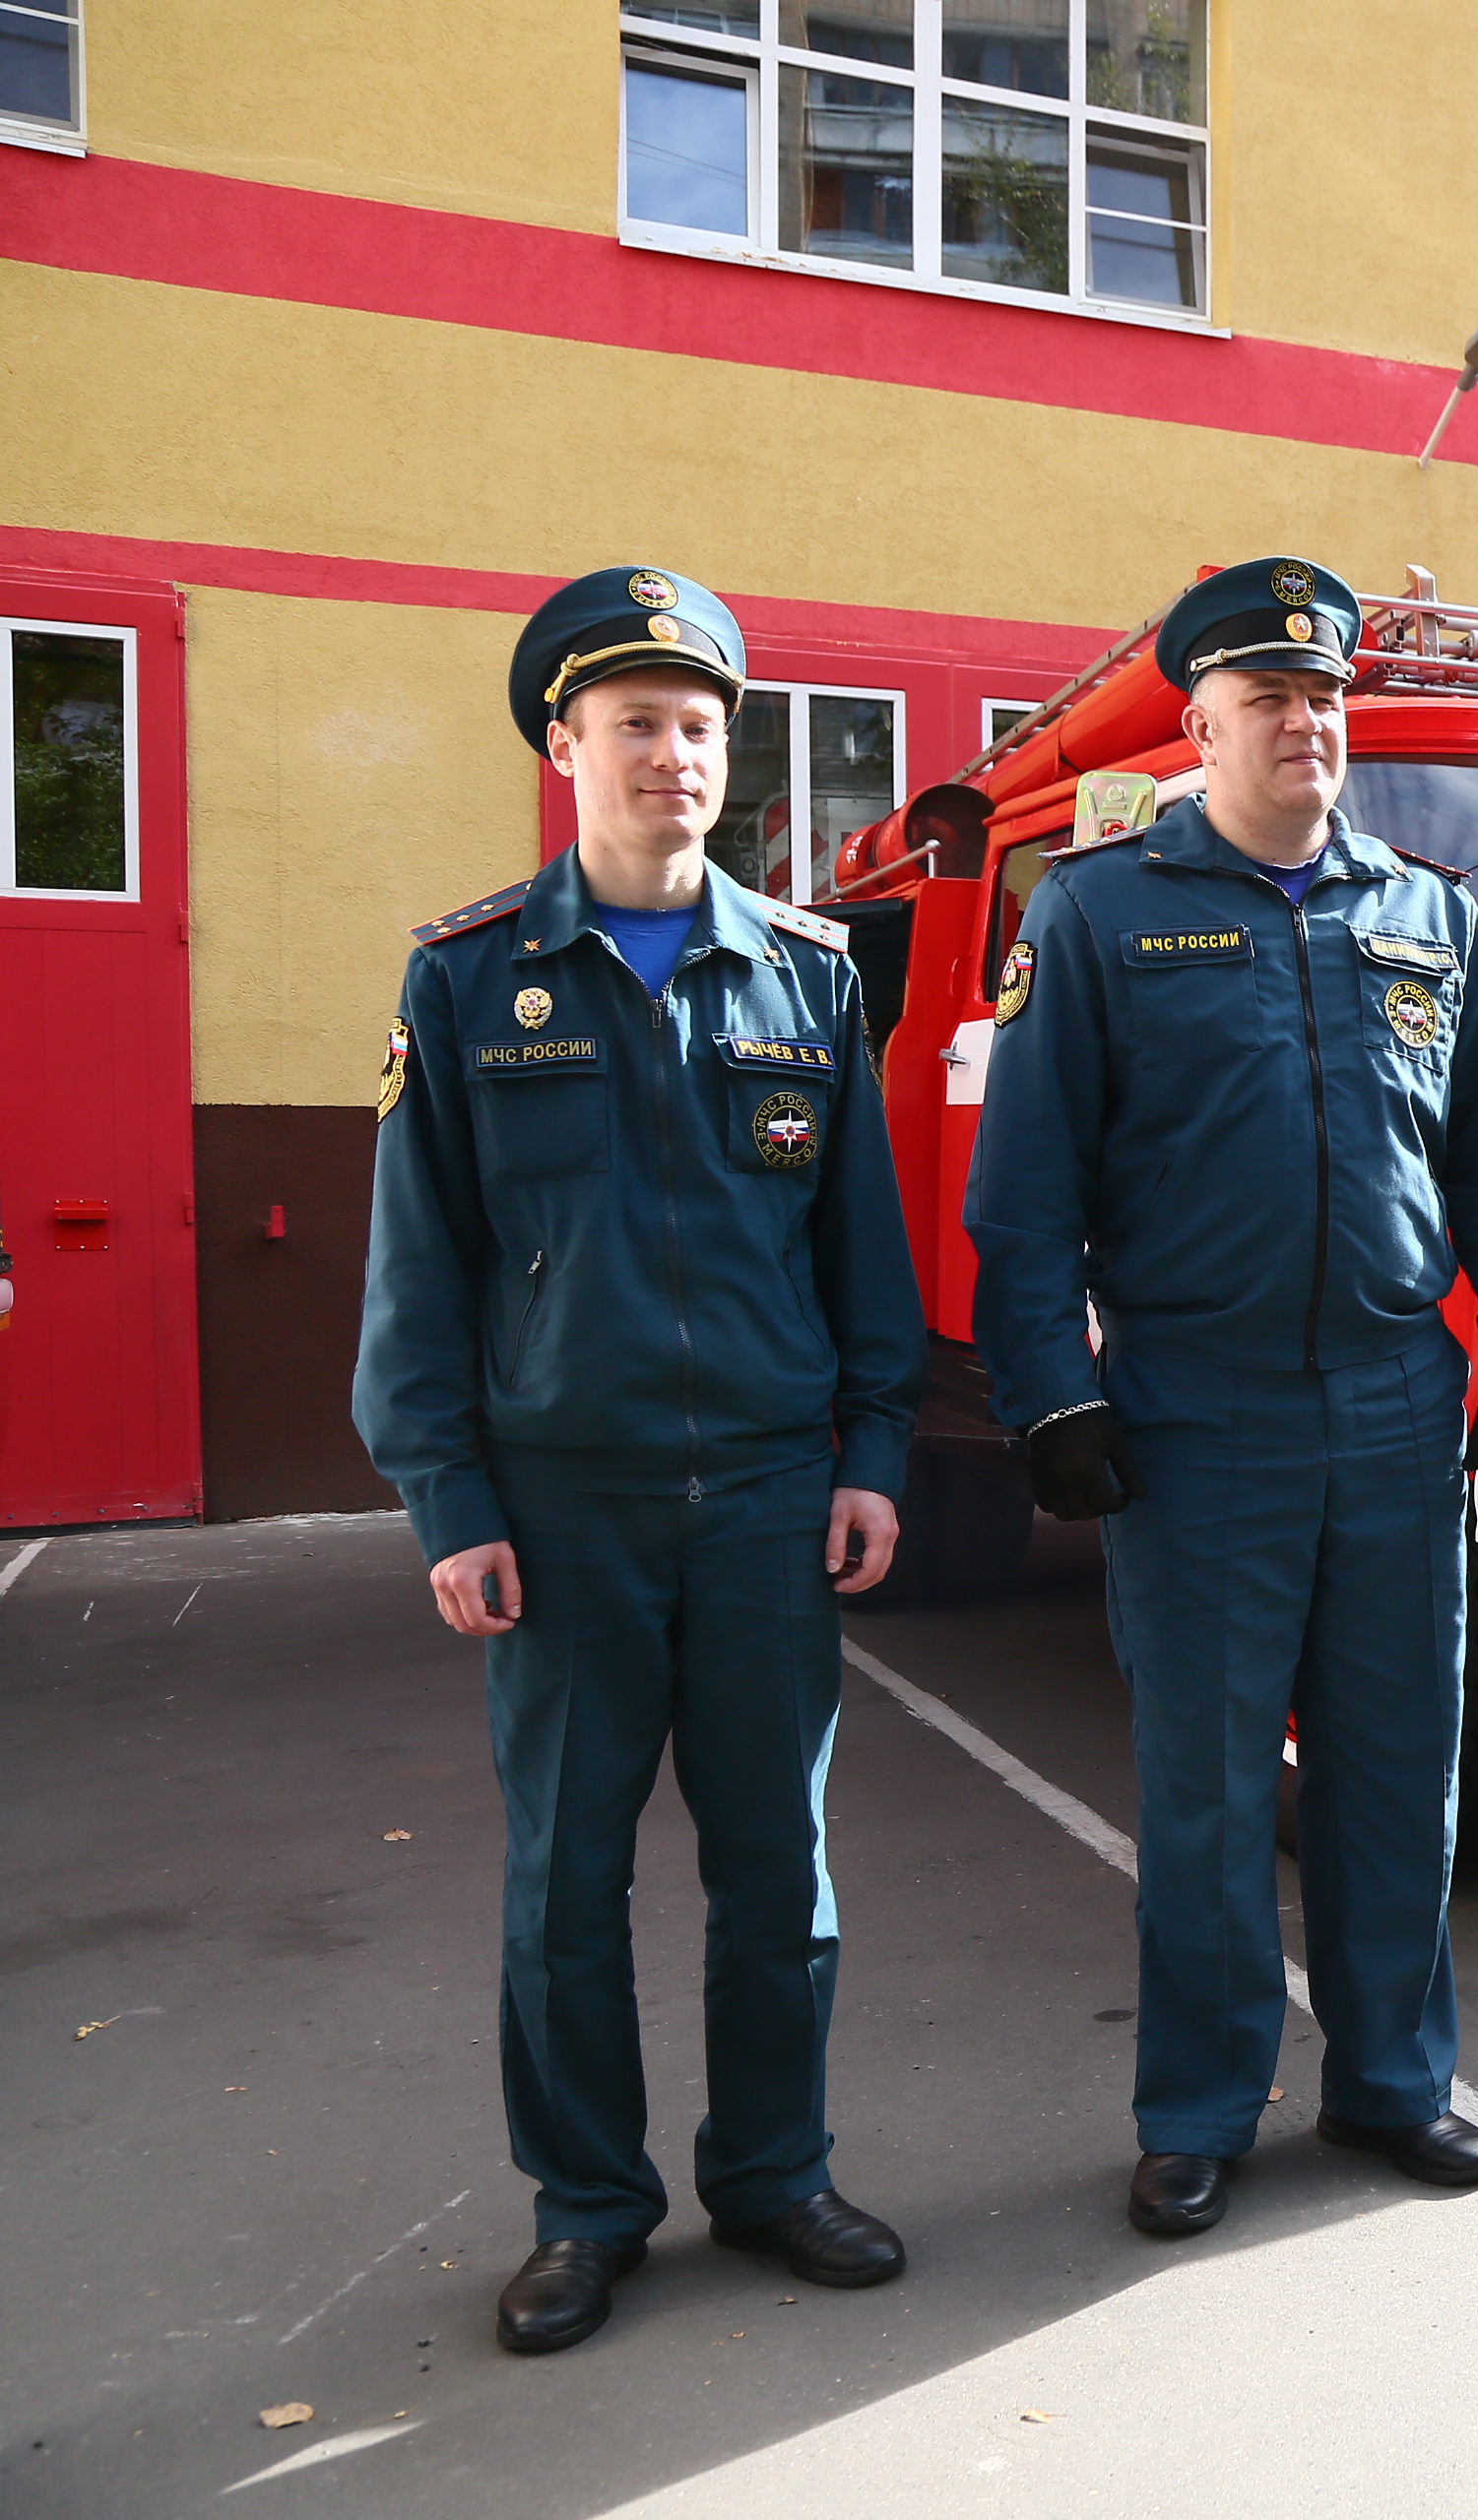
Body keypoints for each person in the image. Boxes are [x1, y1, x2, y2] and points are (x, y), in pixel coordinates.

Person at [353, 566, 927, 2356]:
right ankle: (587, 2210)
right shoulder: (467, 980)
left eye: (697, 726)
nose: (670, 754)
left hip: (765, 1499)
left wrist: (876, 1453)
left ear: (725, 754)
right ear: (563, 744)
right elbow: (417, 1267)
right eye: (633, 725)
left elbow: (862, 1256)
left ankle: (772, 2173)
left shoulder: (809, 977)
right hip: (562, 1511)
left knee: (783, 1877)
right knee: (561, 1888)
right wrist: (446, 1498)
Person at [963, 555, 1478, 2240]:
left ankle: (1391, 2085)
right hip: (1194, 1415)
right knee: (1215, 1788)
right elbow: (1024, 1200)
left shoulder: (1427, 916)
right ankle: (1202, 2109)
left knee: (1396, 1773)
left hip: (1392, 1408)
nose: (1302, 724)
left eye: (1323, 698)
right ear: (1201, 727)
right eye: (1265, 701)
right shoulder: (1093, 915)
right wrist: (1051, 1400)